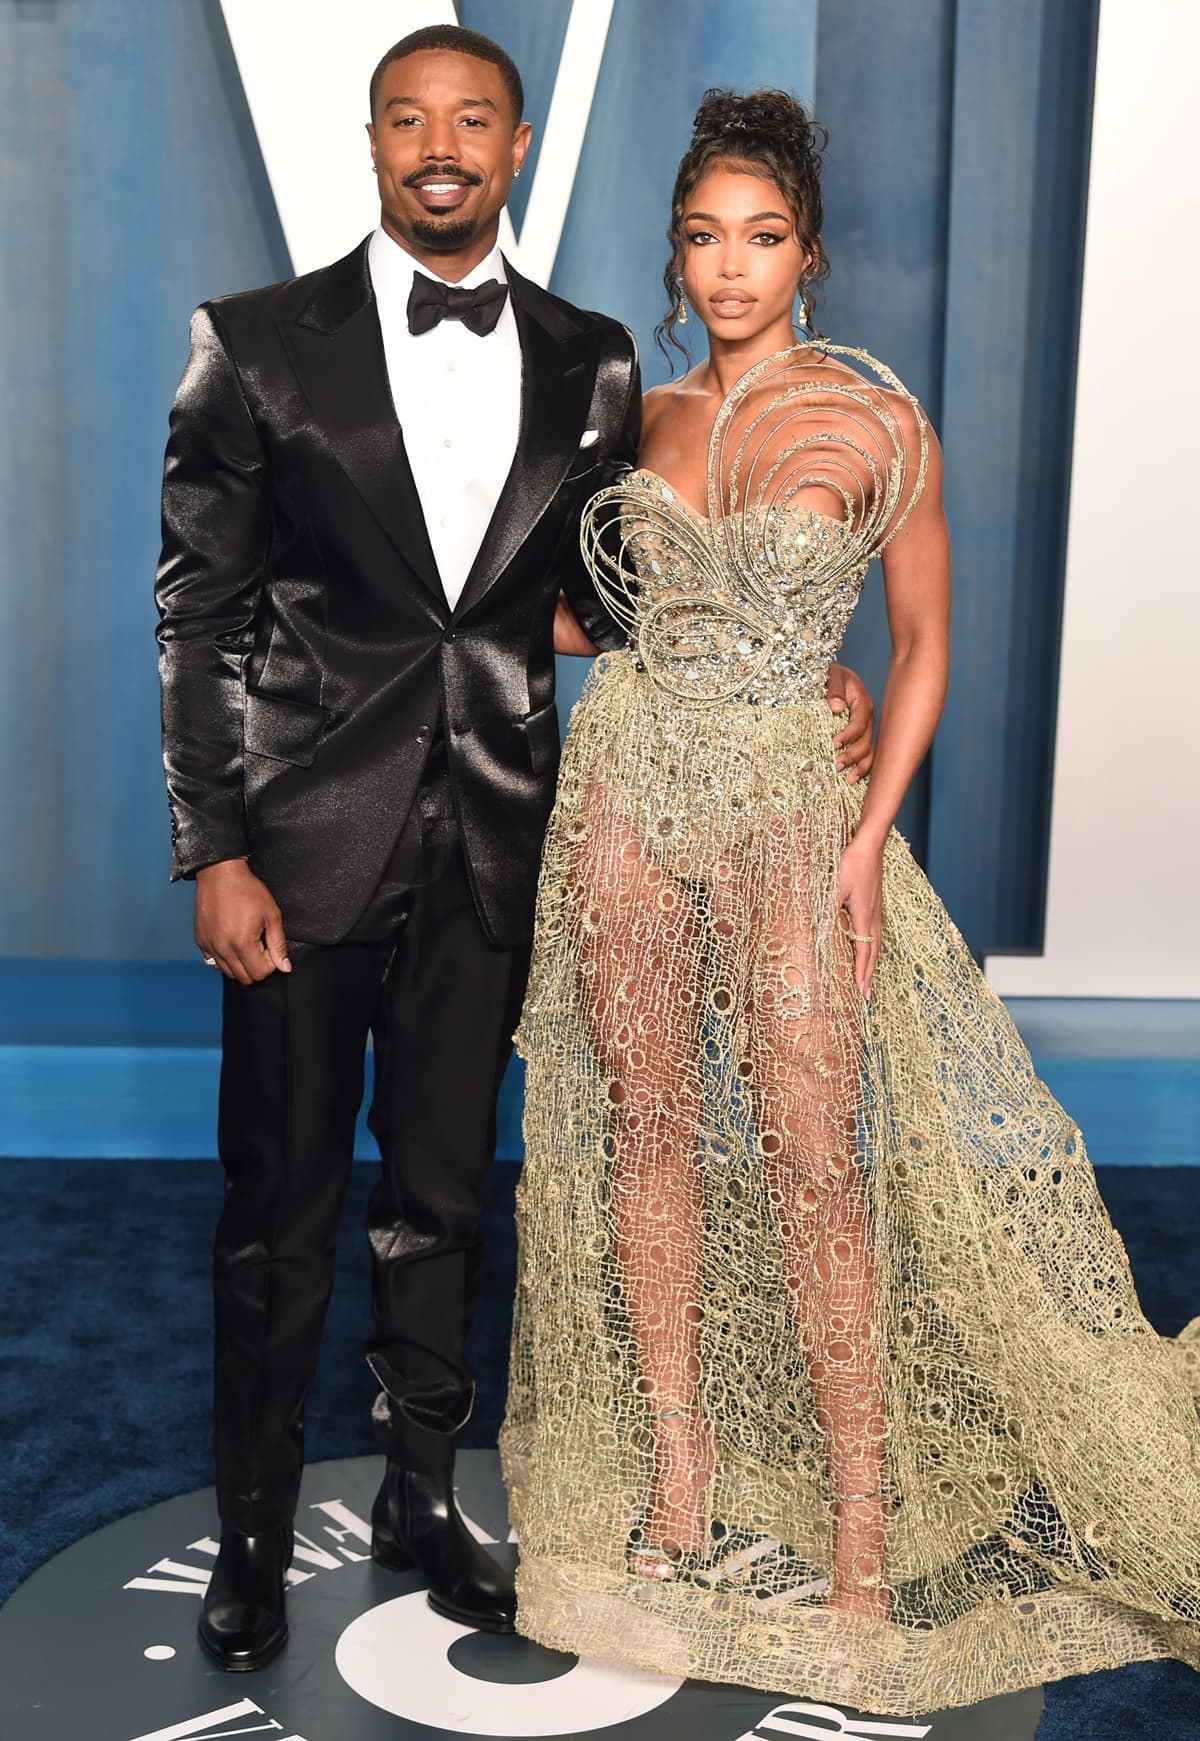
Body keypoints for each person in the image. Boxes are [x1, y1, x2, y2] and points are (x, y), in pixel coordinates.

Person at [155, 31, 877, 1672]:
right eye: (410, 119)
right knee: (277, 1209)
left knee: (440, 1200)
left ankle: (419, 1493)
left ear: (519, 143)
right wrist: (216, 850)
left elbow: (626, 587)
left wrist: (805, 652)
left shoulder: (597, 359)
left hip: (499, 842)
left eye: (470, 120)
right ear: (370, 141)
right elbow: (198, 611)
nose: (440, 146)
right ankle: (254, 1541)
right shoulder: (253, 345)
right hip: (298, 847)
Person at [503, 88, 1200, 1716]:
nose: (730, 265)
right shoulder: (640, 416)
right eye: (702, 236)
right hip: (630, 797)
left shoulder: (875, 419)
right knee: (648, 1133)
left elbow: (927, 645)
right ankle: (678, 1477)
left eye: (760, 236)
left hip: (792, 819)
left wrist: (869, 836)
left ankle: (864, 1506)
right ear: (676, 257)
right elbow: (590, 621)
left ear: (807, 252)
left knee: (818, 1155)